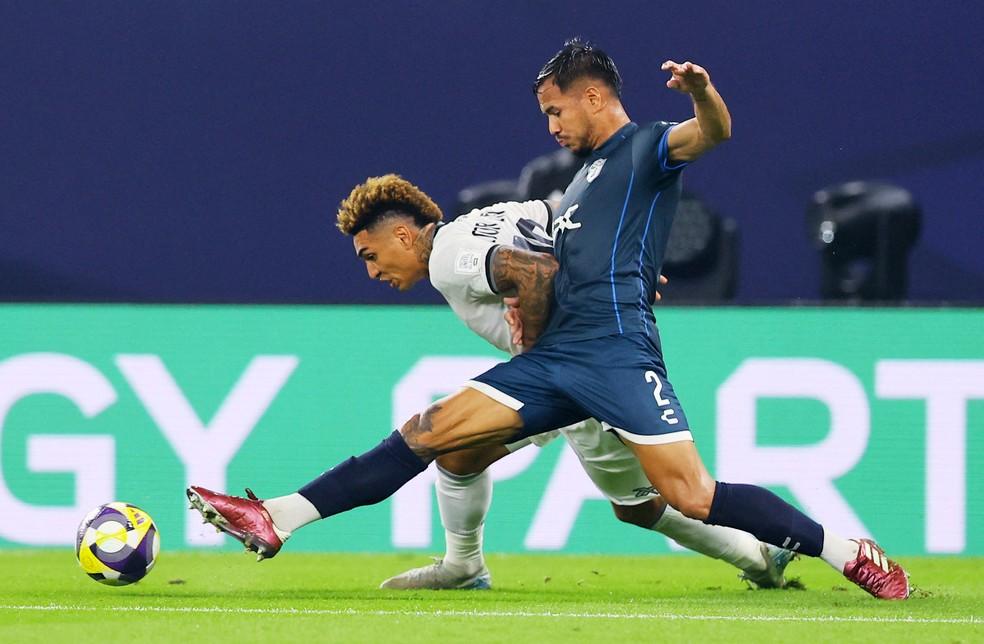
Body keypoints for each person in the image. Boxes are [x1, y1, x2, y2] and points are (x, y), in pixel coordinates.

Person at [188, 39, 909, 599]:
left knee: (690, 494)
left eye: (555, 110)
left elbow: (710, 136)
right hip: (564, 356)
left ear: (594, 95)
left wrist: (704, 96)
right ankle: (278, 515)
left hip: (616, 350)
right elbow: (565, 252)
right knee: (432, 434)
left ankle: (850, 553)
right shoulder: (582, 179)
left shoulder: (643, 145)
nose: (552, 125)